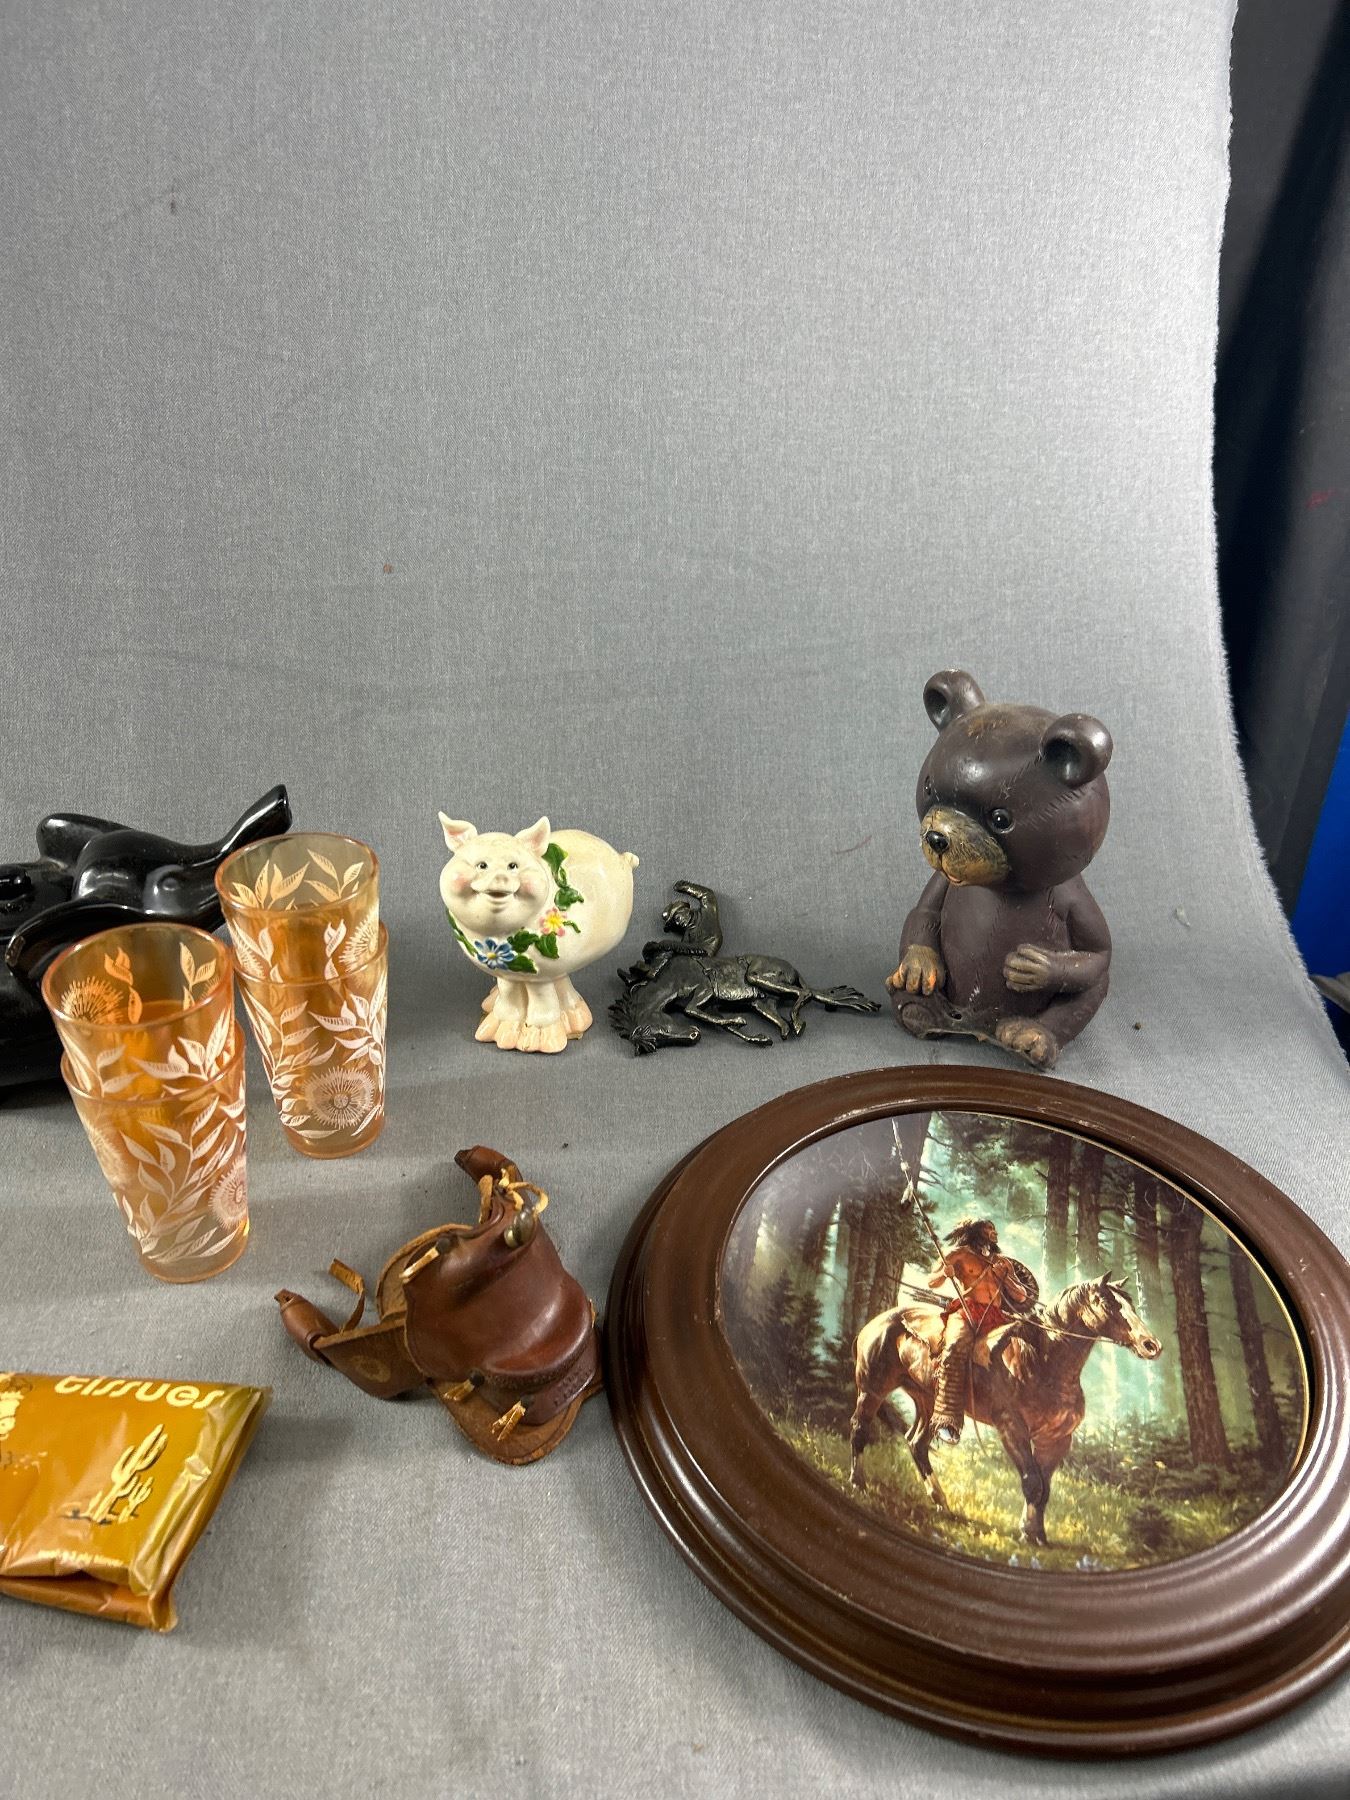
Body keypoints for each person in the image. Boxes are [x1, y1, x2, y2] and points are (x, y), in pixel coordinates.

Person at [927, 1217, 1035, 1447]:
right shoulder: (958, 1254)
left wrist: (1006, 1278)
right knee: (954, 1350)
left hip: (996, 1317)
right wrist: (944, 1273)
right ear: (976, 1233)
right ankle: (946, 1419)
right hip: (967, 1313)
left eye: (994, 1230)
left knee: (1023, 1350)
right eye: (988, 1229)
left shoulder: (1002, 1262)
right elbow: (931, 1282)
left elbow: (1021, 1296)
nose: (994, 1234)